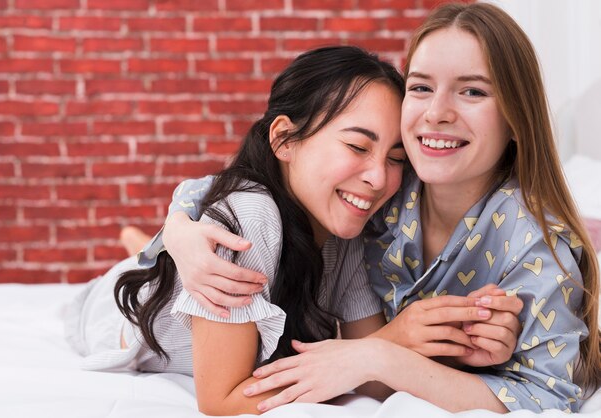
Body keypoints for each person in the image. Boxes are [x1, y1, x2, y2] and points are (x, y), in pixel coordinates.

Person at [153, 2, 601, 414]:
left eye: (472, 92)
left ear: (517, 119)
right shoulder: (384, 193)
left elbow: (543, 393)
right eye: (422, 86)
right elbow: (230, 188)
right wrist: (177, 230)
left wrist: (426, 356)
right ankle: (136, 247)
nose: (437, 113)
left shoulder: (532, 247)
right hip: (148, 313)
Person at [66, 45, 417, 416]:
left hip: (186, 258)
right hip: (120, 312)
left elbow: (373, 381)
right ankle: (140, 249)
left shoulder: (343, 228)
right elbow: (223, 399)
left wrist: (397, 345)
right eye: (357, 146)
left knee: (171, 245)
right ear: (284, 139)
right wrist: (393, 339)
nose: (379, 178)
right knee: (140, 268)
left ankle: (143, 243)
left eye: (396, 159)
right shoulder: (249, 220)